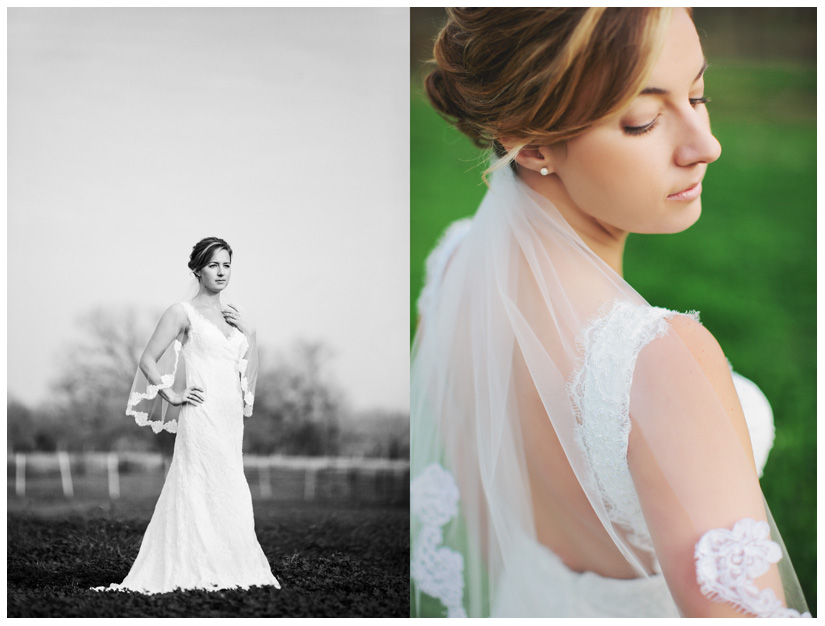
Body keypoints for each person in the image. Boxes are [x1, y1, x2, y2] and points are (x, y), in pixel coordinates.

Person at [410, 8, 809, 618]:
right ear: (535, 142)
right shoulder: (663, 359)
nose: (707, 145)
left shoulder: (456, 262)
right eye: (644, 120)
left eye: (699, 95)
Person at [95, 237, 280, 593]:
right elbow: (147, 358)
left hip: (229, 419)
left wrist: (252, 334)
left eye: (227, 264)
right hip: (200, 414)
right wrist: (170, 393)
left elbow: (247, 375)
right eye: (214, 265)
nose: (222, 272)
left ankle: (232, 565)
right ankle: (193, 564)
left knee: (232, 487)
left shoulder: (235, 315)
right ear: (197, 270)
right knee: (197, 485)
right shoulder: (182, 312)